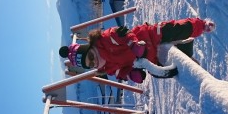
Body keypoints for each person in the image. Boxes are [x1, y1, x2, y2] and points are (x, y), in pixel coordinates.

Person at [59, 17, 215, 83]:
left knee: (174, 30)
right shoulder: (109, 68)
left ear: (91, 47)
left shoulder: (105, 40)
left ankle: (200, 25)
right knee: (158, 72)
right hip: (148, 58)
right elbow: (123, 72)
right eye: (91, 64)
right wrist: (133, 74)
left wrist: (133, 44)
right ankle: (188, 64)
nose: (95, 61)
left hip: (148, 37)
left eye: (91, 56)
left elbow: (122, 33)